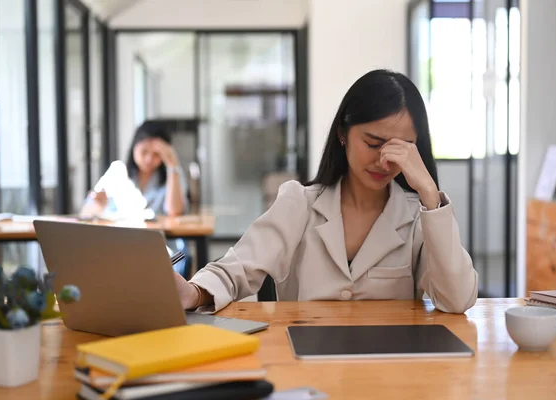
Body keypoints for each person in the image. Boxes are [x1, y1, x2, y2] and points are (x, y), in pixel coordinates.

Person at [173, 69, 478, 314]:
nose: (385, 160)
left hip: (390, 369)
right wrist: (193, 292)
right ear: (343, 133)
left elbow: (457, 299)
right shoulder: (299, 203)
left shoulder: (417, 215)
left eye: (401, 149)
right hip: (307, 364)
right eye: (372, 143)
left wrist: (429, 192)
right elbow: (237, 268)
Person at [81, 120, 191, 276]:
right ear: (134, 146)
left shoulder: (172, 175)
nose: (148, 159)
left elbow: (175, 211)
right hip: (120, 248)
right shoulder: (118, 171)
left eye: (157, 154)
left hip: (161, 251)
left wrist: (172, 164)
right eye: (144, 151)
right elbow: (86, 212)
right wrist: (98, 204)